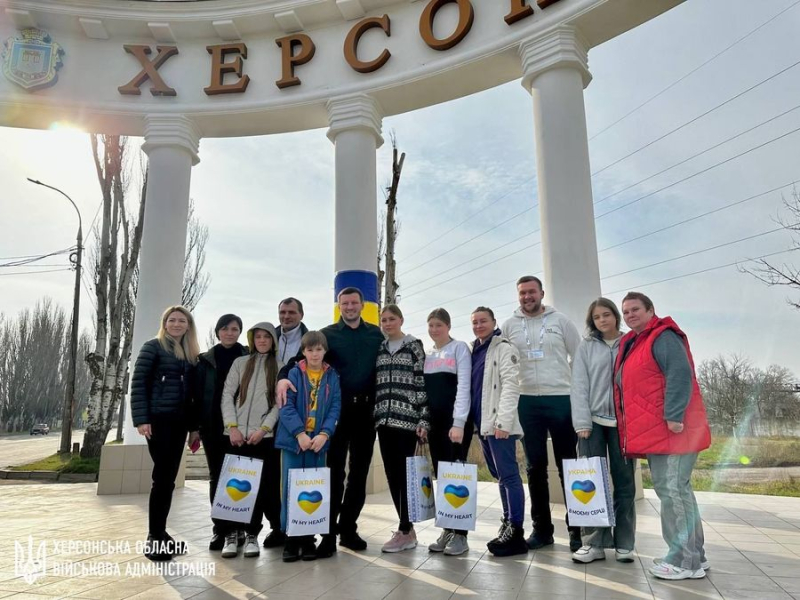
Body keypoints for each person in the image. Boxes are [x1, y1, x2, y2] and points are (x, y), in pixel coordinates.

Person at [277, 286, 384, 558]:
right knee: (334, 475)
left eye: (353, 303)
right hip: (336, 415)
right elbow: (298, 359)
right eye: (344, 303)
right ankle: (327, 534)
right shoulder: (328, 334)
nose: (349, 307)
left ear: (362, 305)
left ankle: (348, 529)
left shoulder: (375, 334)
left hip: (365, 414)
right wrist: (282, 377)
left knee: (359, 476)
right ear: (339, 306)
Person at [615, 292, 711, 580]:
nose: (630, 315)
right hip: (659, 431)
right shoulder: (636, 342)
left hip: (673, 429)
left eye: (635, 310)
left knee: (672, 492)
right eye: (626, 311)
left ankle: (684, 560)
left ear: (650, 310)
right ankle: (695, 555)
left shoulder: (662, 336)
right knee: (678, 491)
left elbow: (679, 374)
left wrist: (674, 414)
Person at [501, 275, 582, 551]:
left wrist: (580, 396)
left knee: (568, 466)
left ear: (542, 293)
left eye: (531, 292)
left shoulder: (561, 321)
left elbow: (580, 356)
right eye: (522, 293)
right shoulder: (509, 325)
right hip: (527, 403)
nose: (527, 297)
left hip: (561, 398)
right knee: (535, 468)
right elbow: (502, 365)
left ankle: (578, 529)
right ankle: (542, 530)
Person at [131, 305, 200, 562]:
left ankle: (161, 535)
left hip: (179, 422)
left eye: (182, 320)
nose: (177, 324)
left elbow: (192, 396)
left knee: (168, 478)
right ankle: (154, 537)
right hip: (158, 421)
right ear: (165, 322)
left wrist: (194, 427)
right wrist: (141, 419)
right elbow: (139, 382)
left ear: (188, 325)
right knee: (162, 478)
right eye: (172, 320)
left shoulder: (190, 353)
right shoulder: (153, 347)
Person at [570, 298, 636, 564]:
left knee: (624, 484)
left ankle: (624, 543)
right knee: (591, 483)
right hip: (592, 424)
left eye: (606, 315)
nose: (602, 320)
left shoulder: (631, 342)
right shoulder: (586, 347)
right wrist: (582, 422)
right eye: (597, 317)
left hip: (624, 424)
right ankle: (593, 543)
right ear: (592, 322)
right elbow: (579, 385)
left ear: (616, 316)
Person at [276, 331, 342, 562]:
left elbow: (335, 406)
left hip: (318, 443)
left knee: (314, 490)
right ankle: (291, 540)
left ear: (325, 351)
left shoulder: (331, 375)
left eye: (319, 349)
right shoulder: (294, 373)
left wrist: (325, 434)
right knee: (291, 489)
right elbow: (285, 407)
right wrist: (299, 434)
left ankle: (308, 538)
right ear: (303, 351)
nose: (315, 354)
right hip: (295, 442)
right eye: (310, 350)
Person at [219, 322, 282, 559]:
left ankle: (253, 534)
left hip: (261, 438)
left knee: (258, 488)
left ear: (273, 340)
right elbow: (227, 395)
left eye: (267, 337)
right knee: (234, 486)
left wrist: (264, 429)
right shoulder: (240, 363)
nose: (262, 341)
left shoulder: (280, 366)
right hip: (235, 437)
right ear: (252, 339)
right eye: (258, 337)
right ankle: (231, 535)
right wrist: (232, 427)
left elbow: (279, 403)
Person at [470, 307, 527, 557]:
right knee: (499, 475)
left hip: (498, 425)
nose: (479, 325)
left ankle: (515, 531)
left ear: (494, 322)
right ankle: (507, 522)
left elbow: (512, 385)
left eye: (483, 321)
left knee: (509, 476)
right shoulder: (475, 350)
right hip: (482, 425)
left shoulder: (503, 348)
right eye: (475, 322)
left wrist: (503, 423)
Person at [374, 305, 430, 553]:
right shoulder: (381, 348)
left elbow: (422, 383)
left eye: (392, 319)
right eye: (384, 320)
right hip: (384, 422)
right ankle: (406, 528)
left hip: (407, 421)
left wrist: (424, 419)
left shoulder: (414, 346)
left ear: (401, 320)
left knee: (406, 477)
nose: (387, 324)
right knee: (392, 476)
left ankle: (405, 529)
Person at [194, 314, 248, 551]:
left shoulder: (248, 356)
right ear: (217, 332)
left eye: (234, 329)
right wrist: (194, 428)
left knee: (240, 477)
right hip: (212, 426)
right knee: (217, 477)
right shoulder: (205, 360)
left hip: (242, 427)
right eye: (225, 329)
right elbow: (196, 396)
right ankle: (220, 529)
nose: (229, 333)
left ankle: (239, 528)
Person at [423, 308, 473, 556]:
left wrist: (459, 422)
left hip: (454, 425)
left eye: (438, 325)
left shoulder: (459, 348)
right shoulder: (428, 354)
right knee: (443, 479)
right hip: (434, 424)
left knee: (457, 478)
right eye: (431, 325)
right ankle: (447, 529)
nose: (434, 330)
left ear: (449, 326)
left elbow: (464, 386)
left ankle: (461, 536)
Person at [276, 297, 309, 364]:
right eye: (282, 312)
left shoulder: (311, 342)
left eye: (291, 312)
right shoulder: (270, 339)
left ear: (301, 315)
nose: (286, 316)